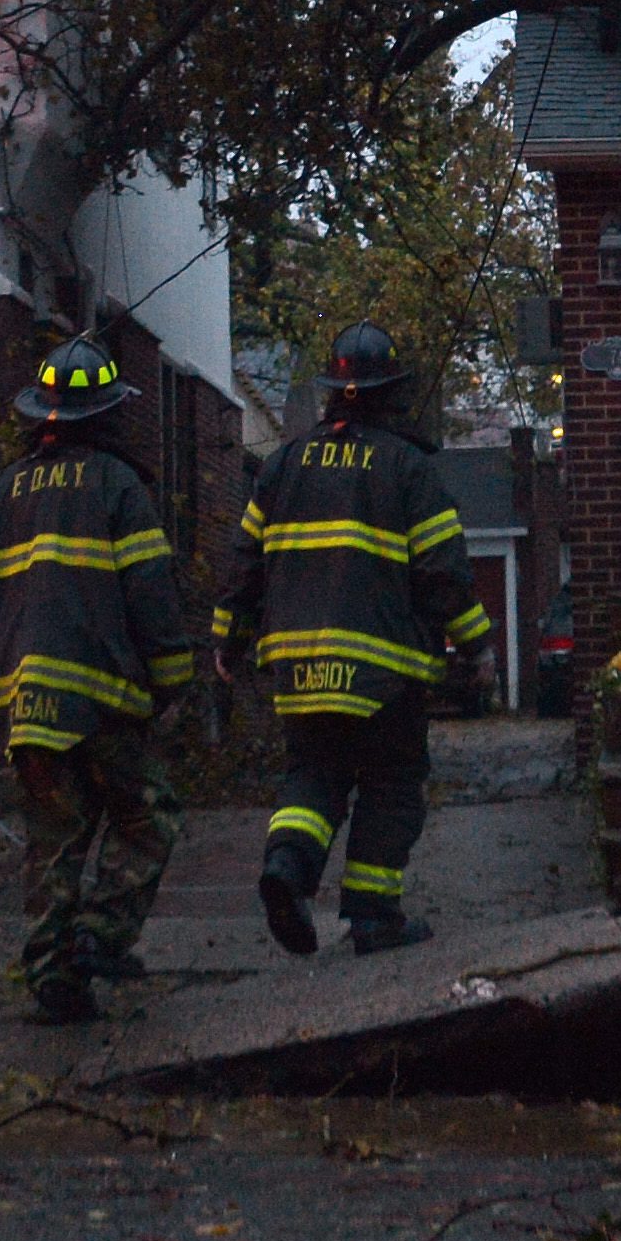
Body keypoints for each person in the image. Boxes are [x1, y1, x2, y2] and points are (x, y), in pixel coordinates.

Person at [216, 321, 489, 957]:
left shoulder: (283, 465)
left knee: (313, 775)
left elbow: (244, 561)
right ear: (392, 391)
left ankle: (287, 870)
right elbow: (444, 571)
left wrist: (228, 639)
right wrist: (477, 648)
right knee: (392, 784)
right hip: (383, 674)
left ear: (335, 390)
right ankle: (371, 918)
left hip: (298, 667)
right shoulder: (408, 468)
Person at [0, 333, 197, 1024]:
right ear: (107, 414)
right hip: (101, 699)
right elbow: (151, 593)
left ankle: (50, 975)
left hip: (23, 703)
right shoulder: (116, 485)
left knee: (53, 837)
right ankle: (100, 937)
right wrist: (174, 683)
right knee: (147, 817)